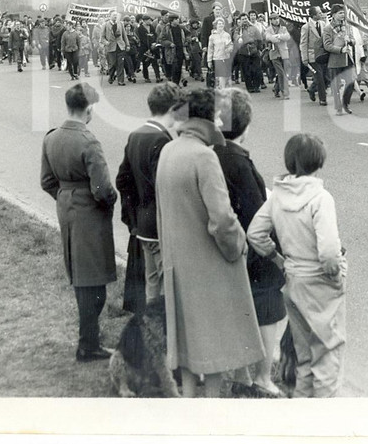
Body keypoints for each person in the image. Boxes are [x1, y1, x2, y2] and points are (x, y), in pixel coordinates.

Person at [155, 88, 265, 397]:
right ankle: (210, 411)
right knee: (213, 347)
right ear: (212, 118)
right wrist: (239, 245)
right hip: (208, 265)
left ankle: (191, 403)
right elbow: (222, 219)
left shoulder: (170, 150)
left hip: (178, 261)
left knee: (190, 345)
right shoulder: (204, 156)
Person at [247, 133, 347, 398]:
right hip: (319, 282)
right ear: (319, 162)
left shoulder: (278, 195)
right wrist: (335, 275)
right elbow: (328, 252)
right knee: (327, 359)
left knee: (304, 359)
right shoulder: (321, 197)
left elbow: (256, 233)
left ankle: (301, 415)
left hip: (292, 279)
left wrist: (278, 261)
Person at [214, 88, 287, 396]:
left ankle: (243, 373)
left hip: (225, 246)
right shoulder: (238, 162)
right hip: (250, 249)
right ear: (245, 125)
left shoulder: (214, 153)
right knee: (271, 307)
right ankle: (262, 376)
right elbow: (257, 217)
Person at [40, 82, 118, 362]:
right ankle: (88, 344)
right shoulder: (88, 141)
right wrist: (109, 202)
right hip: (89, 213)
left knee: (81, 275)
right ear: (89, 109)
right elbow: (102, 189)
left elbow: (47, 182)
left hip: (67, 207)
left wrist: (66, 198)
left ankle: (90, 340)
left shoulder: (51, 138)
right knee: (92, 281)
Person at [116, 82, 187, 307]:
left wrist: (133, 216)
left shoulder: (137, 134)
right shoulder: (162, 140)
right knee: (166, 282)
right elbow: (164, 185)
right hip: (160, 224)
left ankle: (152, 329)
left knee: (152, 281)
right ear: (173, 109)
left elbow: (122, 180)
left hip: (144, 223)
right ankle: (166, 333)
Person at [322, 5, 356, 115]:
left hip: (347, 58)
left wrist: (350, 40)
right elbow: (327, 45)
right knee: (335, 85)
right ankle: (338, 107)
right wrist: (341, 49)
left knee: (350, 81)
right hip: (335, 59)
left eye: (343, 13)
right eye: (340, 13)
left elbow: (354, 40)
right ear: (333, 15)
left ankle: (346, 103)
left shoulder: (347, 26)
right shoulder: (328, 28)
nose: (343, 15)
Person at [299, 5, 329, 107]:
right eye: (319, 13)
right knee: (319, 76)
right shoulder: (306, 27)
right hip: (312, 56)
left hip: (323, 55)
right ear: (313, 15)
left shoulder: (323, 24)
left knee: (325, 77)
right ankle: (323, 99)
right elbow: (303, 43)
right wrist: (304, 58)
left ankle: (311, 89)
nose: (321, 14)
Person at [264, 13, 293, 99]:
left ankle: (276, 88)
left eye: (277, 18)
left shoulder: (283, 28)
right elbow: (268, 37)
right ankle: (285, 93)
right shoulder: (268, 29)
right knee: (281, 73)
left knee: (283, 73)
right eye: (274, 19)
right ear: (271, 20)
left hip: (284, 53)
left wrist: (279, 36)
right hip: (274, 54)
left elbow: (287, 37)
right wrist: (274, 37)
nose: (277, 20)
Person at [207, 17, 235, 90]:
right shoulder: (212, 36)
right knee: (220, 75)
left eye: (222, 23)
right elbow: (210, 49)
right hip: (217, 58)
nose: (221, 25)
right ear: (216, 25)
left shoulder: (227, 35)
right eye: (219, 24)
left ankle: (225, 89)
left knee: (227, 75)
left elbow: (230, 45)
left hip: (226, 57)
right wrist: (209, 60)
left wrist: (229, 49)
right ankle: (221, 90)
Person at [103, 13, 128, 86]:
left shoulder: (120, 24)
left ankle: (121, 81)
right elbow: (102, 37)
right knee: (112, 64)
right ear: (110, 16)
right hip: (110, 47)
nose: (115, 16)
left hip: (120, 46)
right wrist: (105, 42)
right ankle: (111, 76)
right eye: (113, 15)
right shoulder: (106, 25)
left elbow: (124, 35)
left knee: (120, 63)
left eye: (116, 15)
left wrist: (127, 44)